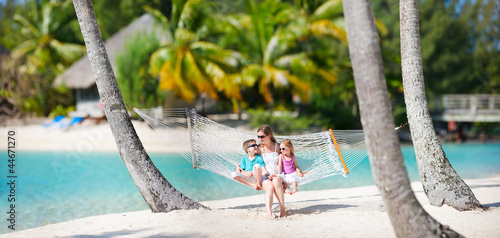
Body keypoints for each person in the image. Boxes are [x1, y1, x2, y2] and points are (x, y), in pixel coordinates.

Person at [257, 125, 286, 218]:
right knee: (269, 186)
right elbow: (253, 161)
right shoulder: (259, 149)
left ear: (269, 135)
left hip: (278, 173)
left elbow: (286, 160)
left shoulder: (278, 146)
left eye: (262, 136)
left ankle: (282, 209)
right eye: (258, 137)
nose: (260, 139)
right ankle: (269, 212)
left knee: (276, 181)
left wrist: (289, 179)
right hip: (265, 175)